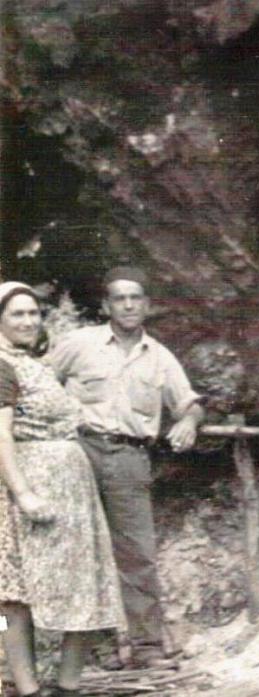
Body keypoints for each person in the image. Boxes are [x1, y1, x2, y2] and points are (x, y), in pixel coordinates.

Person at [50, 266, 205, 668]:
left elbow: (189, 403)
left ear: (147, 305)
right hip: (78, 453)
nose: (129, 305)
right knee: (82, 550)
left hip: (129, 458)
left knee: (137, 554)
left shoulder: (160, 357)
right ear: (106, 305)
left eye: (136, 298)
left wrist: (189, 422)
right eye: (120, 298)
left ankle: (147, 648)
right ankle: (98, 648)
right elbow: (39, 383)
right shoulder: (79, 344)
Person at [0, 281, 125, 696]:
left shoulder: (35, 364)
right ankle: (29, 689)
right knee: (13, 595)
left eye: (33, 313)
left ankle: (68, 685)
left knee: (84, 583)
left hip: (70, 487)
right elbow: (0, 435)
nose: (28, 321)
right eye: (17, 314)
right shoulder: (1, 365)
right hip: (30, 485)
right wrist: (23, 493)